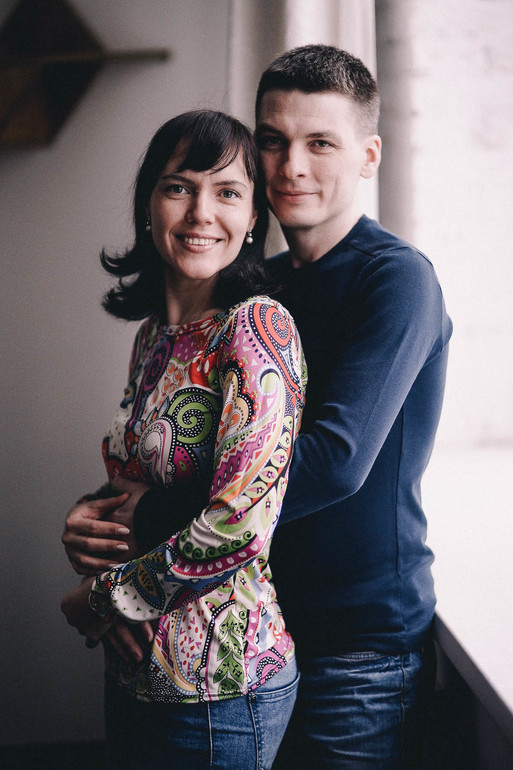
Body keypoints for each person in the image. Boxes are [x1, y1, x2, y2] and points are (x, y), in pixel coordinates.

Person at [64, 45, 452, 768]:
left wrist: (144, 522)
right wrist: (99, 522)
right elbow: (185, 447)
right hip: (237, 619)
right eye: (273, 140)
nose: (291, 166)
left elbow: (333, 462)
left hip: (354, 647)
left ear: (368, 156)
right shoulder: (250, 287)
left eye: (320, 143)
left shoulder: (396, 280)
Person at [60, 109, 307, 770]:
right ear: (149, 205)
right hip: (134, 673)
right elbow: (142, 480)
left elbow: (240, 523)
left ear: (252, 218)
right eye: (179, 187)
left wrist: (104, 598)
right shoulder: (154, 337)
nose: (201, 212)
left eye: (227, 192)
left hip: (218, 692)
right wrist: (86, 521)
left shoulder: (256, 329)